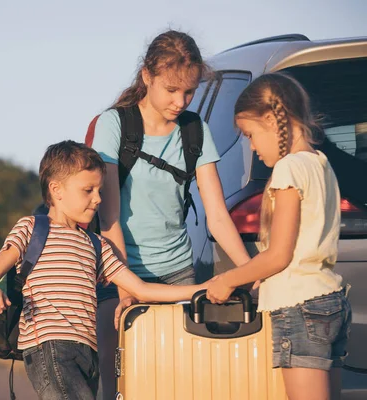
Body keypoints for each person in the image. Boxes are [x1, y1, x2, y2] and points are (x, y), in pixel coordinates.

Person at [0, 140, 207, 400]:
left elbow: (140, 288)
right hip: (49, 346)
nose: (97, 198)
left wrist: (205, 288)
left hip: (88, 352)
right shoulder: (32, 228)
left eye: (99, 190)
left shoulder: (98, 245)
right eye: (88, 190)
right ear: (56, 189)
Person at [90, 30, 251, 399]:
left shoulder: (195, 130)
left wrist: (250, 274)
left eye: (189, 91)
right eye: (171, 89)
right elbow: (109, 214)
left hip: (179, 276)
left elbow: (218, 216)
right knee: (123, 388)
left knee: (179, 386)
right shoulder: (115, 124)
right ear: (147, 76)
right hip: (120, 276)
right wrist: (126, 288)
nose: (181, 101)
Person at [206, 73, 352, 400]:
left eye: (251, 135)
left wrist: (229, 279)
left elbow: (279, 255)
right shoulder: (321, 163)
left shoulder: (288, 169)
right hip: (331, 300)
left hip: (300, 307)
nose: (253, 147)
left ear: (272, 120)